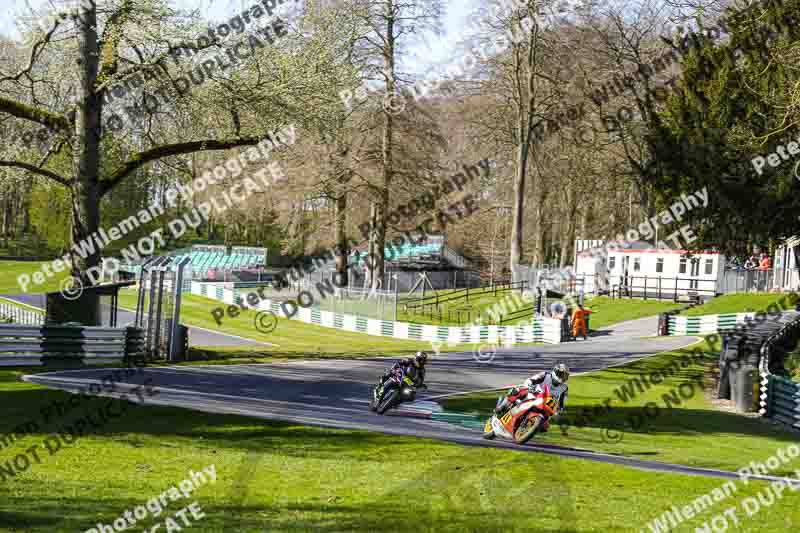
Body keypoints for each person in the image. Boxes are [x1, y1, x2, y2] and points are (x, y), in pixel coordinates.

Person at [494, 363, 570, 432]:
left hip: (545, 406)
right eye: (561, 374)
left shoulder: (564, 388)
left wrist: (558, 411)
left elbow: (561, 404)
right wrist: (529, 385)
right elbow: (531, 380)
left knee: (545, 427)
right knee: (517, 390)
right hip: (533, 395)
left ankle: (525, 428)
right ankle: (501, 407)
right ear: (556, 371)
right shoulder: (545, 375)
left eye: (564, 376)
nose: (562, 377)